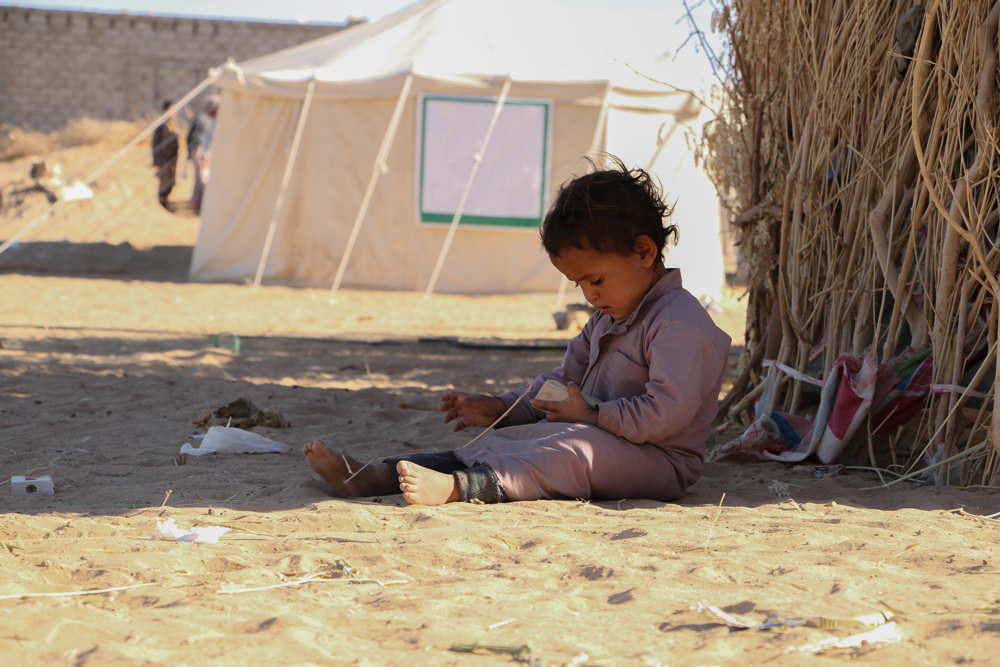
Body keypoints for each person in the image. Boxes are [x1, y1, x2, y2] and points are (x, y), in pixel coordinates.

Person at [303, 157, 732, 505]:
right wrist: (504, 409)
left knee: (572, 451)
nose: (589, 296)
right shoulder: (609, 317)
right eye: (579, 284)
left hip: (659, 461)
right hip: (598, 433)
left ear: (643, 252)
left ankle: (458, 490)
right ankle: (374, 476)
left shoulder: (680, 324)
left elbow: (665, 416)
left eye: (595, 280)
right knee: (510, 439)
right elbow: (560, 386)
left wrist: (593, 416)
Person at [187, 95, 219, 214]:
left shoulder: (209, 119)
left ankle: (198, 202)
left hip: (203, 152)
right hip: (200, 151)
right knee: (201, 178)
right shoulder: (204, 119)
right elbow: (201, 139)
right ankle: (199, 203)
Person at [151, 101, 180, 210]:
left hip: (172, 159)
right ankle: (162, 203)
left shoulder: (174, 126)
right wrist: (158, 161)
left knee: (171, 182)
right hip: (164, 160)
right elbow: (156, 144)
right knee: (164, 182)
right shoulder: (161, 126)